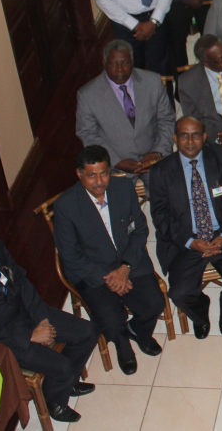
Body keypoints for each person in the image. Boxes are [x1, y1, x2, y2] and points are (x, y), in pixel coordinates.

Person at [0, 207, 98, 423]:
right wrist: (29, 336)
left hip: (26, 310)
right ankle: (56, 401)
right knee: (64, 366)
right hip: (4, 337)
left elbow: (19, 279)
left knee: (88, 331)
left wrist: (41, 317)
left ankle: (63, 383)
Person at [53, 146, 165, 376]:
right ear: (79, 174)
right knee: (111, 321)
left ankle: (139, 331)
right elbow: (70, 256)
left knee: (155, 304)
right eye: (91, 175)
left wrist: (125, 268)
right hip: (93, 273)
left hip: (128, 262)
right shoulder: (66, 206)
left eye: (104, 173)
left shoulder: (123, 188)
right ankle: (123, 345)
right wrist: (110, 277)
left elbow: (139, 230)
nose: (99, 182)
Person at [149, 117, 222, 338]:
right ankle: (200, 313)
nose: (190, 141)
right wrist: (190, 241)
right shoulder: (160, 171)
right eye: (184, 136)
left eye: (195, 135)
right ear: (175, 138)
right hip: (186, 239)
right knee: (179, 293)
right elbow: (160, 216)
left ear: (204, 137)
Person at [75, 40, 175, 178]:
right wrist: (116, 161)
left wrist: (157, 152)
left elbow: (167, 120)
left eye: (125, 63)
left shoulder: (152, 82)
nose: (120, 69)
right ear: (104, 62)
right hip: (115, 169)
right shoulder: (88, 95)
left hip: (155, 161)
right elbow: (87, 133)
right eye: (113, 63)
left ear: (132, 62)